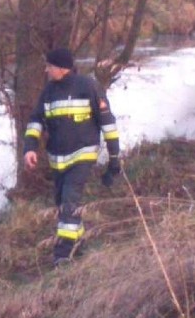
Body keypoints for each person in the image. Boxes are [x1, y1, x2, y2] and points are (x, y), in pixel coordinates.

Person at [22, 48, 121, 266]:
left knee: (69, 202)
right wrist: (29, 148)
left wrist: (115, 158)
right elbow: (36, 120)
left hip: (82, 156)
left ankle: (62, 256)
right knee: (63, 204)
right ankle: (80, 244)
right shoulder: (48, 91)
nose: (46, 70)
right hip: (57, 159)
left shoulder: (88, 86)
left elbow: (108, 124)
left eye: (49, 66)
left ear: (61, 68)